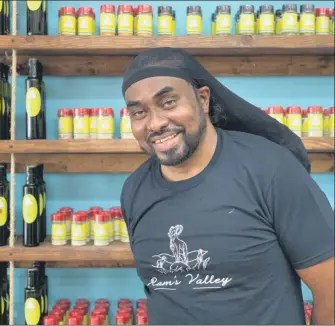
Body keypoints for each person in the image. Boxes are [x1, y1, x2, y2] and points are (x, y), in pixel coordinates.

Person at [120, 48, 334, 325]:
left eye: (169, 102)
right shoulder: (134, 189)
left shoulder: (271, 170)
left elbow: (330, 287)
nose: (156, 123)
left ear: (203, 99)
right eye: (139, 112)